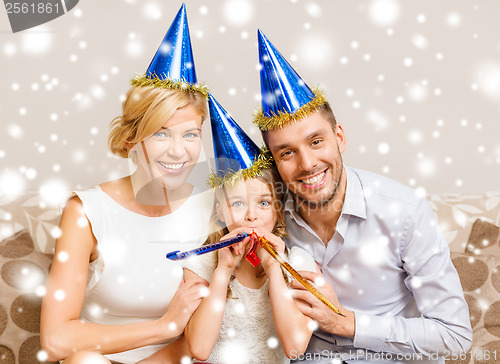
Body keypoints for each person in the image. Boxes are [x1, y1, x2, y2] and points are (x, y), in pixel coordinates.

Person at [252, 30, 473, 363]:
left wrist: (350, 324)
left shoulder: (404, 212)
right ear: (274, 162)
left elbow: (454, 337)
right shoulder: (271, 218)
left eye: (316, 142)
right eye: (287, 153)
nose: (308, 163)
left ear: (339, 137)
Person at [40, 5, 212, 363]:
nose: (179, 151)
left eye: (191, 134)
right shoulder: (85, 212)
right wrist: (164, 326)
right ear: (132, 140)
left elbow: (217, 323)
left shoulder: (215, 206)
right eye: (161, 133)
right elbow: (56, 340)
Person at [182, 94, 317, 364]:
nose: (251, 216)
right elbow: (198, 349)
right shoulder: (201, 263)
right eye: (238, 203)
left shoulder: (299, 262)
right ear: (220, 211)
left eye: (264, 203)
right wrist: (223, 271)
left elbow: (294, 348)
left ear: (278, 211)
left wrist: (274, 269)